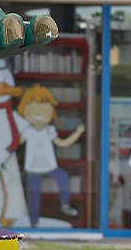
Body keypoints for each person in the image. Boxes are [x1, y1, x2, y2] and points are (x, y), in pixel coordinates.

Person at [17, 85, 85, 226]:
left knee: (63, 177)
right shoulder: (27, 130)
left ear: (52, 112)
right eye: (33, 110)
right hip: (32, 168)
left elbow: (63, 143)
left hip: (49, 166)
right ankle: (33, 223)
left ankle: (65, 204)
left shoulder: (50, 130)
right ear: (25, 112)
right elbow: (17, 142)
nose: (39, 114)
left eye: (44, 110)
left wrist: (78, 133)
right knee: (34, 196)